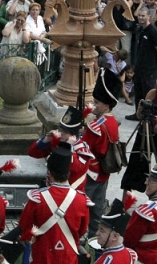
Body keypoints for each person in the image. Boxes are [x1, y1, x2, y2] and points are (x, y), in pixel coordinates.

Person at [18, 146, 91, 264]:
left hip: (42, 256)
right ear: (68, 173)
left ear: (49, 173)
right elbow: (82, 231)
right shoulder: (82, 200)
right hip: (68, 258)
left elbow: (24, 229)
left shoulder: (37, 198)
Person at [84, 69, 124, 236]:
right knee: (98, 207)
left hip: (92, 171)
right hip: (104, 172)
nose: (93, 105)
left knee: (85, 205)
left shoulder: (95, 126)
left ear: (107, 104)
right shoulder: (113, 121)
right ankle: (95, 236)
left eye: (97, 102)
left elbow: (84, 147)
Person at [27, 106, 93, 191]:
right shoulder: (57, 142)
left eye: (64, 132)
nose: (60, 133)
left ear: (73, 135)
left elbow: (75, 169)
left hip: (71, 194)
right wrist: (46, 140)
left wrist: (68, 148)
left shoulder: (82, 151)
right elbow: (32, 152)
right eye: (59, 130)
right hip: (51, 188)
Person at [125, 167, 157, 261]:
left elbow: (128, 241)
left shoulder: (146, 211)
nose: (146, 183)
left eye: (151, 181)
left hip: (143, 259)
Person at [93, 199, 137, 264]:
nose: (97, 233)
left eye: (102, 230)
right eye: (99, 229)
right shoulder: (130, 253)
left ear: (115, 236)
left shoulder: (107, 261)